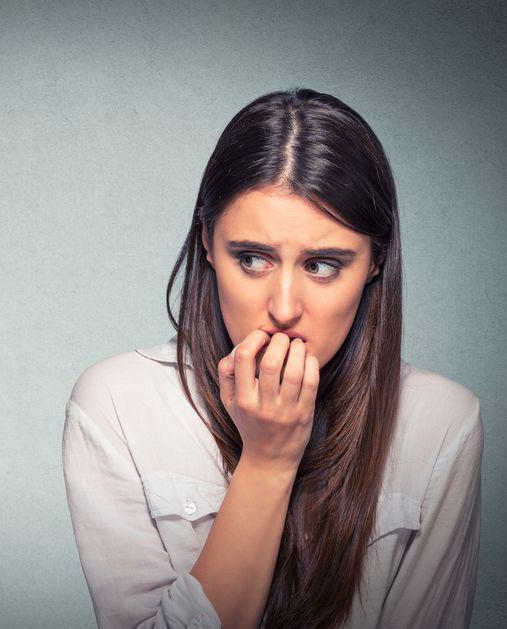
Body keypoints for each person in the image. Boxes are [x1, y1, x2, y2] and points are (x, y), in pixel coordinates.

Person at [61, 88, 483, 629]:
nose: (283, 309)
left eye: (324, 265)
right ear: (208, 246)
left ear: (376, 262)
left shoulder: (442, 424)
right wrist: (266, 463)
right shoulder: (116, 404)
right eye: (253, 258)